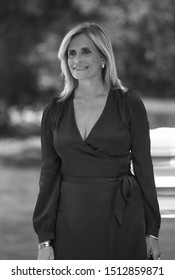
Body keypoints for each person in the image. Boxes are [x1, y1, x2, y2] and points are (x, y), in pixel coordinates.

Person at [33, 22, 161, 260]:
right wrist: (45, 240)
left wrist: (152, 231)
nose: (76, 59)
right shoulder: (54, 110)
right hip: (69, 218)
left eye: (85, 51)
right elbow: (49, 176)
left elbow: (144, 167)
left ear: (104, 58)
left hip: (121, 215)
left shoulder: (128, 102)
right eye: (71, 53)